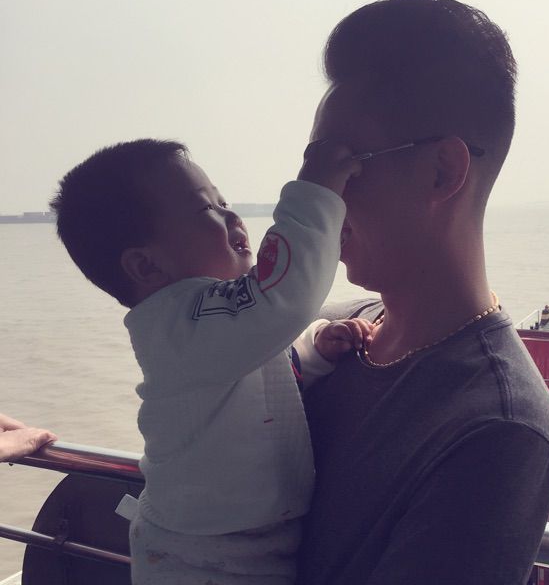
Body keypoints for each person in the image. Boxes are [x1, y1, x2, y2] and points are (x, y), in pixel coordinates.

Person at [297, 0, 549, 585]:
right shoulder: (327, 339)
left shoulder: (497, 430)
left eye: (340, 164)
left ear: (443, 170)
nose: (316, 196)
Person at [50, 138, 371, 585]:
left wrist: (316, 349)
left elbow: (266, 370)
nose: (231, 217)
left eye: (224, 203)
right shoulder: (177, 321)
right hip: (199, 559)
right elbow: (284, 298)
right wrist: (317, 189)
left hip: (233, 544)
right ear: (146, 266)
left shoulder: (216, 329)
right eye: (207, 209)